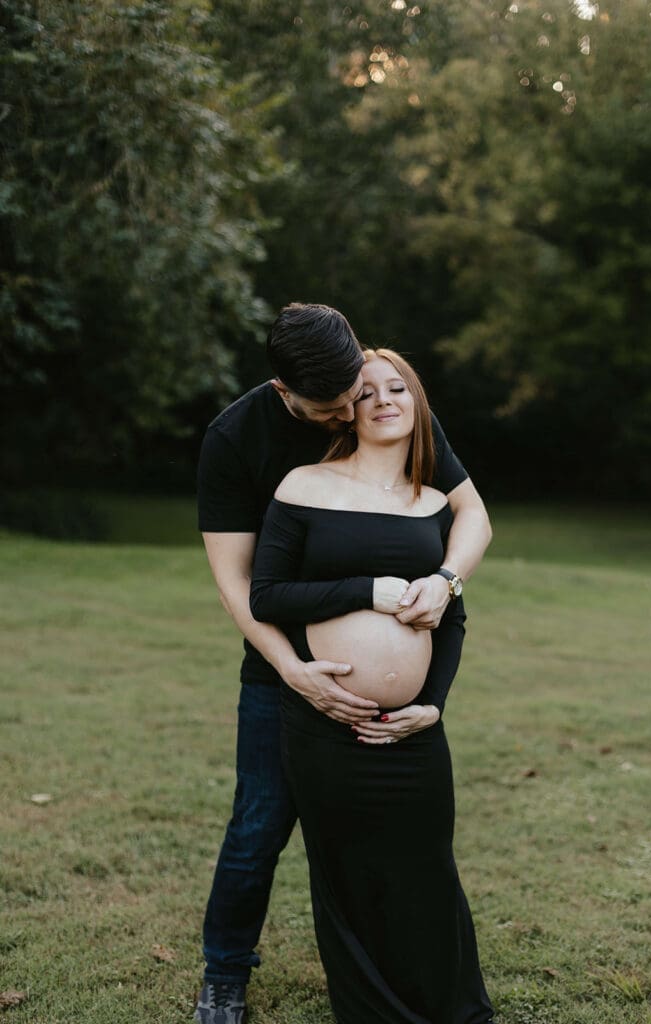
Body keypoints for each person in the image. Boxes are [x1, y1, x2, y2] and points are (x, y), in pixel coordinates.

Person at [195, 303, 492, 1023]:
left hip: (391, 691)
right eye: (331, 407)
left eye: (356, 394)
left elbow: (469, 512)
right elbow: (240, 585)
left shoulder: (377, 395)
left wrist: (447, 579)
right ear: (283, 391)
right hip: (281, 673)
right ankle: (224, 976)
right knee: (260, 825)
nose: (348, 414)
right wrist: (290, 668)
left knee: (395, 841)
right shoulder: (238, 439)